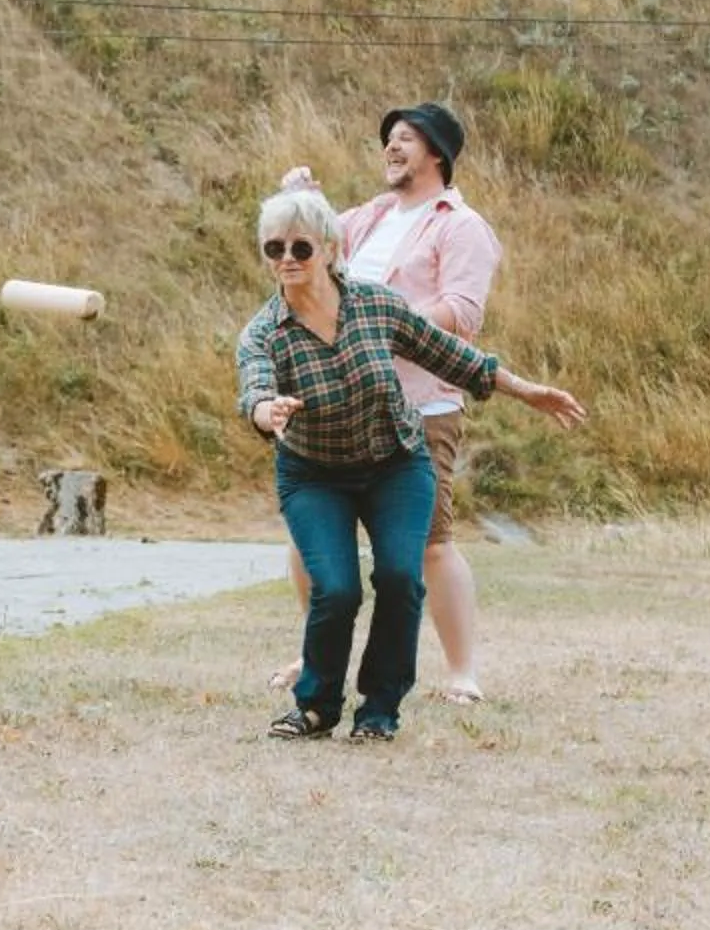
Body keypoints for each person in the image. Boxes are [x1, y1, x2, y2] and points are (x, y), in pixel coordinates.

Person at [237, 186, 585, 742]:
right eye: (272, 248)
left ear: (328, 248)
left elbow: (454, 355)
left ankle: (379, 709)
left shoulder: (375, 305)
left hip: (395, 464)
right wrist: (265, 409)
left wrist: (527, 391)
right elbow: (252, 386)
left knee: (401, 576)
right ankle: (316, 706)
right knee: (337, 588)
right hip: (314, 475)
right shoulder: (263, 333)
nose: (285, 260)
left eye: (299, 248)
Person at [278, 101, 503, 700]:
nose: (392, 147)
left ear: (437, 153)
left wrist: (384, 324)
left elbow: (463, 311)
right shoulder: (369, 217)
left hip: (418, 407)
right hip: (340, 402)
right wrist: (303, 195)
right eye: (388, 139)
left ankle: (462, 674)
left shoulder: (460, 226)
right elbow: (312, 243)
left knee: (428, 544)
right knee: (312, 541)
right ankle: (314, 660)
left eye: (406, 138)